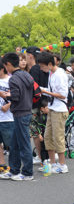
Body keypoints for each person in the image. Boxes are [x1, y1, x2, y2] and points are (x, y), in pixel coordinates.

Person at [0, 53, 35, 181]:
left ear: (8, 64)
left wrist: (5, 95)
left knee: (24, 143)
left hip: (20, 112)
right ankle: (14, 170)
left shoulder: (13, 79)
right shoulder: (26, 74)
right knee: (14, 144)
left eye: (5, 65)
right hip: (25, 110)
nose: (5, 68)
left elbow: (15, 97)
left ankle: (27, 173)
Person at [39, 52, 70, 174]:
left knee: (58, 137)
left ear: (50, 64)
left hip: (59, 109)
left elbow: (63, 95)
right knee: (47, 136)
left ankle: (62, 165)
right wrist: (43, 90)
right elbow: (53, 91)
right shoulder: (52, 73)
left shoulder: (59, 74)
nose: (41, 69)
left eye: (42, 66)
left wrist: (45, 92)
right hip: (52, 108)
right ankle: (53, 163)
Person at [0, 61, 13, 174]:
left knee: (10, 144)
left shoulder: (10, 80)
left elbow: (18, 96)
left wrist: (8, 105)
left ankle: (14, 166)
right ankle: (2, 164)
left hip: (8, 118)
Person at [31, 99, 50, 171]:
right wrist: (39, 135)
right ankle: (43, 162)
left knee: (48, 148)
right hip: (43, 135)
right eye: (47, 108)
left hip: (48, 136)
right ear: (42, 108)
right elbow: (38, 127)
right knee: (43, 149)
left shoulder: (48, 115)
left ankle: (48, 161)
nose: (49, 109)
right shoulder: (41, 117)